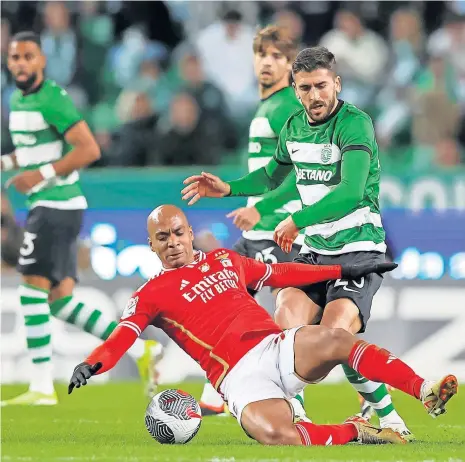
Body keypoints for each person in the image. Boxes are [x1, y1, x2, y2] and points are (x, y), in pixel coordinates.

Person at [68, 205, 458, 447]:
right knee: (276, 436)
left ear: (189, 232)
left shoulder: (225, 259)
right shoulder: (150, 293)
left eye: (178, 232)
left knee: (337, 338)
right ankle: (357, 433)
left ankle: (422, 389)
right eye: (162, 237)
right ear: (151, 245)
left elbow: (282, 271)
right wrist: (92, 363)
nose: (173, 242)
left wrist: (343, 269)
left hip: (277, 348)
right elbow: (122, 336)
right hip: (238, 380)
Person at [181, 46, 412, 438]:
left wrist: (295, 219)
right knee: (286, 317)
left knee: (334, 336)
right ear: (295, 89)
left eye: (321, 86)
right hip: (316, 248)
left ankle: (391, 418)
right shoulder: (293, 127)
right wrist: (228, 189)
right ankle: (297, 413)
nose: (314, 96)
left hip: (358, 245)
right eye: (305, 88)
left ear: (336, 83)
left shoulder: (355, 124)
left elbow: (352, 190)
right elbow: (272, 175)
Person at [1, 32, 160, 406]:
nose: (21, 63)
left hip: (56, 203)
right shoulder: (18, 99)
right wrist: (6, 163)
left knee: (29, 288)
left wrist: (39, 177)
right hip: (51, 205)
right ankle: (141, 351)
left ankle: (41, 387)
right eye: (15, 57)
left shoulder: (52, 98)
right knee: (58, 301)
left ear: (41, 60)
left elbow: (89, 148)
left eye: (28, 56)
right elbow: (36, 151)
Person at [199, 24, 306, 417]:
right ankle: (216, 393)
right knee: (227, 301)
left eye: (278, 56)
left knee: (288, 320)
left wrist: (261, 207)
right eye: (262, 53)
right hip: (260, 231)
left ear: (292, 64)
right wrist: (233, 190)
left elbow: (303, 174)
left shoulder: (286, 109)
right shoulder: (266, 107)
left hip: (280, 231)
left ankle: (296, 406)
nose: (267, 61)